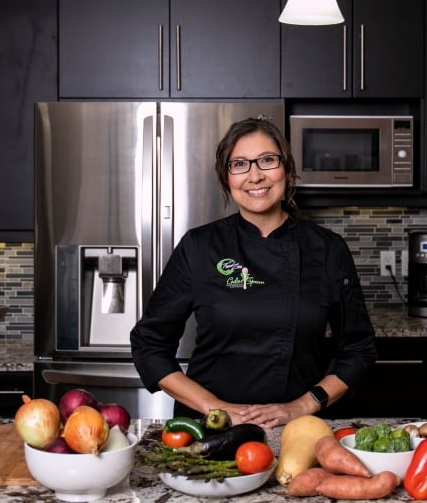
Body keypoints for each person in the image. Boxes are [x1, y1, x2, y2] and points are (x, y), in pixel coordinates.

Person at [130, 117, 376, 428]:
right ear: (226, 177)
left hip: (298, 431)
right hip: (207, 427)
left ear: (285, 168)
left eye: (267, 161)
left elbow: (358, 350)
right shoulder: (199, 246)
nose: (255, 176)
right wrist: (217, 408)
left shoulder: (327, 249)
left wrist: (301, 406)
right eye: (240, 164)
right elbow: (149, 344)